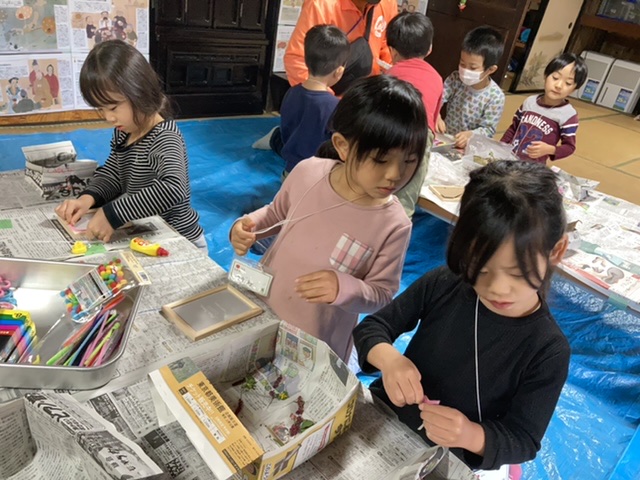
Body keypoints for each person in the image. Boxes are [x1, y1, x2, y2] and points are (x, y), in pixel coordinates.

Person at [353, 160, 570, 475]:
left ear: (557, 251)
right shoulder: (445, 283)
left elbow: (523, 439)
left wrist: (470, 434)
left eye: (516, 273)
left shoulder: (547, 349)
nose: (497, 288)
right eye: (480, 268)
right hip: (385, 420)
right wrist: (390, 360)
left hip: (448, 457)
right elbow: (373, 327)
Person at [231, 75, 428, 361]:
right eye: (380, 160)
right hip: (265, 308)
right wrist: (247, 227)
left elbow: (381, 293)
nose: (394, 174)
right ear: (343, 146)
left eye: (409, 161)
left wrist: (343, 287)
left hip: (317, 341)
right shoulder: (308, 172)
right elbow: (276, 213)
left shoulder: (394, 224)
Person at [55, 40, 205, 250]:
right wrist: (87, 199)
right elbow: (114, 173)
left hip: (179, 240)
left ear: (139, 92)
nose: (108, 117)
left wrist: (112, 214)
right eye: (101, 109)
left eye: (113, 108)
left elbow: (173, 189)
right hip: (146, 235)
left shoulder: (165, 137)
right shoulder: (124, 132)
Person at [253, 25, 349, 178]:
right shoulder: (335, 106)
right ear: (339, 71)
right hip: (318, 177)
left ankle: (273, 138)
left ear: (306, 61)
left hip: (289, 173)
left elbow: (287, 129)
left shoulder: (291, 93)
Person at [386, 11, 442, 217]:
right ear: (430, 48)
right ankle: (401, 222)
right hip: (420, 136)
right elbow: (432, 123)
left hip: (391, 131)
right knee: (406, 197)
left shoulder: (390, 75)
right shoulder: (436, 77)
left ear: (392, 51)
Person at [283, 0, 398, 88]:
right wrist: (324, 98)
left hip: (369, 96)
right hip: (331, 97)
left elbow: (389, 49)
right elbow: (296, 60)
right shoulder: (321, 5)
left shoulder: (387, 3)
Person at [500, 53, 587, 164]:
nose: (559, 85)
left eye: (568, 83)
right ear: (546, 76)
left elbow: (569, 147)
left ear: (574, 89)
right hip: (508, 159)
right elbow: (513, 128)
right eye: (555, 78)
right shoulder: (529, 102)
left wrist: (550, 149)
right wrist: (500, 147)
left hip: (533, 168)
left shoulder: (568, 115)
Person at [435, 26, 505, 150]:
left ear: (490, 69)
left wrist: (470, 135)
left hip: (470, 146)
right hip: (447, 138)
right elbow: (438, 98)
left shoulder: (495, 97)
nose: (465, 70)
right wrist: (436, 115)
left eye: (473, 68)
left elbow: (489, 129)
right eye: (462, 64)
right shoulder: (455, 78)